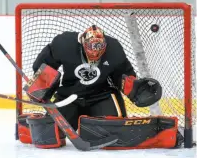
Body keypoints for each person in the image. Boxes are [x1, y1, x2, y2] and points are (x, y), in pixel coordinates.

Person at [19, 25, 181, 150]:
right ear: (82, 42)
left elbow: (123, 74)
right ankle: (26, 125)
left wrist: (133, 88)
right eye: (91, 50)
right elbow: (43, 65)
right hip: (69, 96)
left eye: (99, 50)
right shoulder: (64, 44)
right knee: (49, 134)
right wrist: (41, 85)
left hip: (101, 95)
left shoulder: (114, 49)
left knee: (114, 130)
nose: (95, 54)